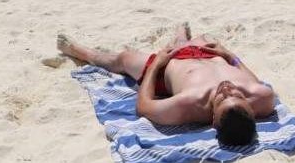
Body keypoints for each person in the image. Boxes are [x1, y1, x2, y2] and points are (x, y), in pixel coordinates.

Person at [57, 24, 274, 146]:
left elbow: (143, 105)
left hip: (168, 67)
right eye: (238, 94)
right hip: (209, 55)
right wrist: (231, 56)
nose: (228, 89)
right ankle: (180, 39)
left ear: (214, 119)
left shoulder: (187, 106)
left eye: (223, 98)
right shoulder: (262, 97)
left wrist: (157, 64)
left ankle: (80, 51)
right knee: (204, 37)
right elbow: (250, 78)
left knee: (124, 58)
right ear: (251, 109)